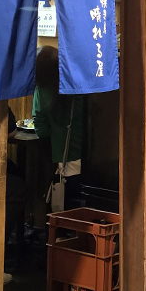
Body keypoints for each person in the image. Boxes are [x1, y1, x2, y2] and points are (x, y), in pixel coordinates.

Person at [32, 46, 85, 208]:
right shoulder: (78, 86)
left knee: (59, 204)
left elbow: (40, 126)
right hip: (84, 154)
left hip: (58, 156)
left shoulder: (42, 92)